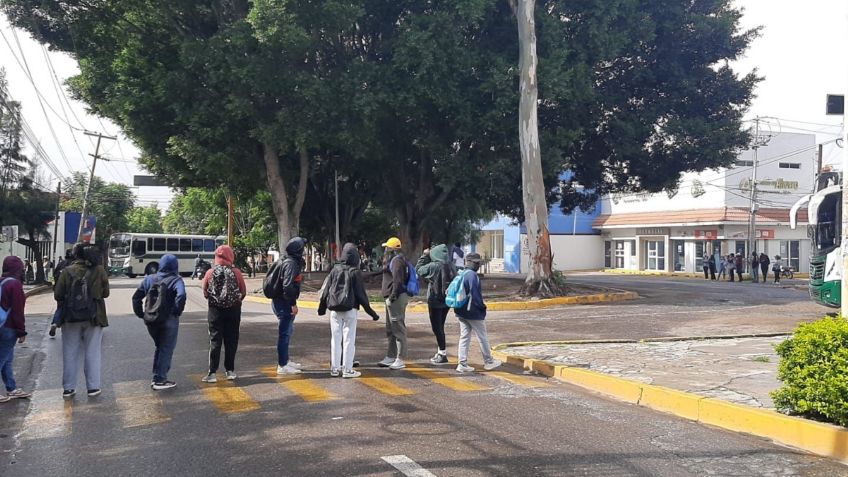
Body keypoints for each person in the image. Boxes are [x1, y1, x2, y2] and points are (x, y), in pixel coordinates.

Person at [54, 243, 110, 399]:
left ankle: (69, 388)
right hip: (94, 316)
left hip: (70, 317)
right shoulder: (99, 270)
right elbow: (106, 293)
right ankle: (93, 388)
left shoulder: (67, 271)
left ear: (75, 255)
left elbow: (58, 295)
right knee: (93, 352)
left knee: (70, 352)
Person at [317, 243, 380, 378]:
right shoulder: (354, 272)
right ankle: (347, 369)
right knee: (349, 339)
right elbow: (361, 296)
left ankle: (334, 369)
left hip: (334, 309)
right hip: (350, 309)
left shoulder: (335, 269)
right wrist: (372, 314)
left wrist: (321, 308)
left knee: (335, 339)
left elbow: (326, 290)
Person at [132, 255, 186, 390]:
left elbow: (136, 297)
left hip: (151, 320)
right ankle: (160, 380)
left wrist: (141, 314)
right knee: (166, 348)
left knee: (160, 347)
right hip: (168, 320)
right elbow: (181, 295)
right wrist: (176, 311)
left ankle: (157, 376)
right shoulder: (176, 280)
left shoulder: (149, 279)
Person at [201, 245, 247, 383]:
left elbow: (205, 292)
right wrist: (235, 300)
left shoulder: (210, 272)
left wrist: (215, 300)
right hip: (233, 310)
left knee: (215, 340)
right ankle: (230, 371)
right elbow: (243, 291)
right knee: (231, 340)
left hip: (215, 311)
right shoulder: (236, 272)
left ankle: (212, 373)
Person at [453, 253, 502, 373]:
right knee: (482, 337)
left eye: (478, 262)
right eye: (475, 262)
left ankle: (462, 363)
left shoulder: (462, 273)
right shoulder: (472, 275)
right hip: (473, 311)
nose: (478, 265)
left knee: (464, 337)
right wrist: (482, 308)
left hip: (461, 310)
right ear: (468, 261)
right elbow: (476, 296)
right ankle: (489, 361)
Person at [417, 244, 456, 364]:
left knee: (437, 328)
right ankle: (440, 351)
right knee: (441, 326)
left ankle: (442, 354)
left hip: (434, 300)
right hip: (447, 301)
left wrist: (424, 256)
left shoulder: (433, 266)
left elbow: (418, 269)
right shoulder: (451, 265)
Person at [0, 257, 33, 402]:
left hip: (1, 324)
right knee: (2, 359)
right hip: (9, 327)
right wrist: (21, 331)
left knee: (7, 359)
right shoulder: (15, 284)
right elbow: (18, 311)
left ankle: (11, 388)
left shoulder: (1, 281)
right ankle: (11, 389)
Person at [273, 237, 307, 375]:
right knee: (284, 334)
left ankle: (286, 360)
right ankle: (282, 365)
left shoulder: (286, 261)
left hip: (280, 301)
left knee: (287, 333)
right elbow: (287, 286)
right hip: (284, 302)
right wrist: (292, 304)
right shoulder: (291, 264)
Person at [378, 237, 410, 370]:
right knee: (390, 329)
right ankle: (391, 356)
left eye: (387, 248)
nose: (385, 250)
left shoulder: (397, 262)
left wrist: (392, 297)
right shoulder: (394, 260)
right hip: (392, 298)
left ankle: (400, 358)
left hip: (396, 298)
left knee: (398, 328)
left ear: (391, 249)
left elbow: (397, 282)